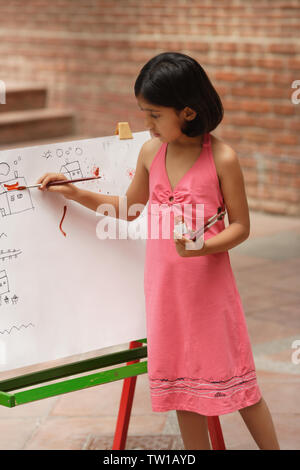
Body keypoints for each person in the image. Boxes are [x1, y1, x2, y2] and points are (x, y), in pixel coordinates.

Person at [36, 52, 280, 450]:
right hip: (166, 297)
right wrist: (75, 192)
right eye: (144, 114)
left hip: (210, 297)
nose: (146, 125)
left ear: (187, 111)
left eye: (153, 116)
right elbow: (128, 210)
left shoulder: (223, 159)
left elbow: (241, 227)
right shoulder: (151, 154)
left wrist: (203, 245)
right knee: (185, 395)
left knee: (241, 389)